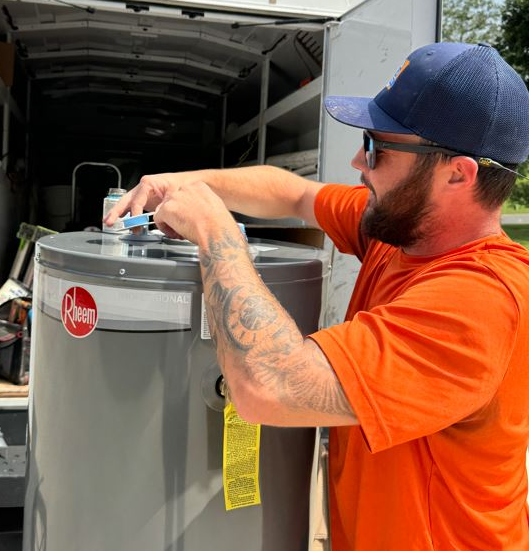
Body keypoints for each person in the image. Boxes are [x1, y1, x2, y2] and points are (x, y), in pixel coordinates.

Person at [105, 42, 529, 550]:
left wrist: (217, 234)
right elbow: (293, 193)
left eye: (375, 146)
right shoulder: (401, 228)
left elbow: (269, 387)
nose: (357, 160)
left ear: (457, 174)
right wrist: (181, 184)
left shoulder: (481, 301)